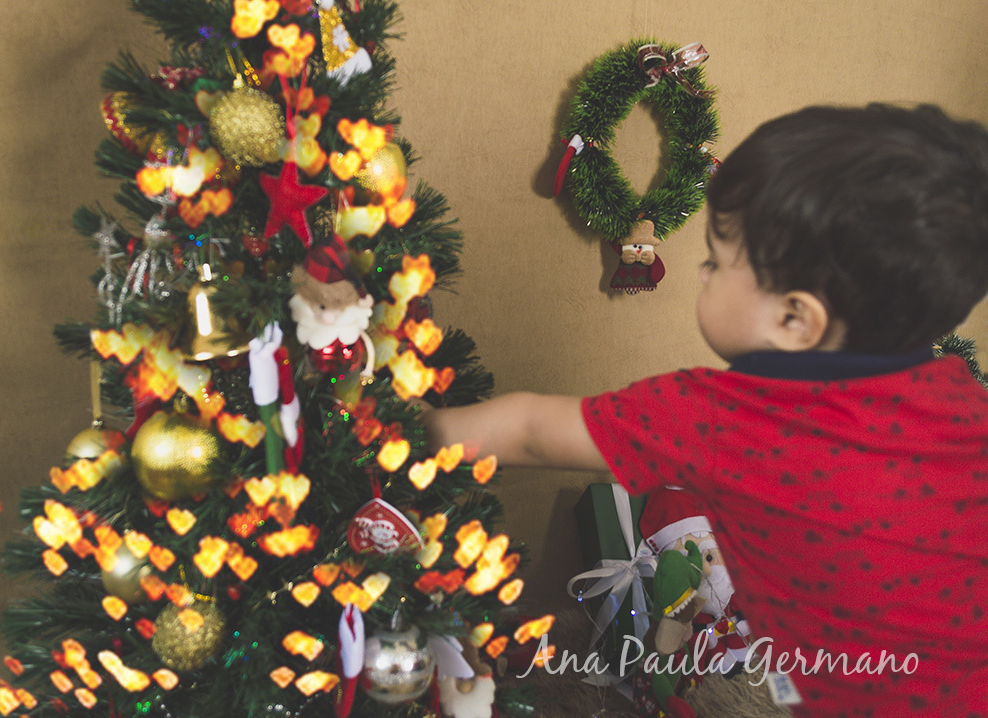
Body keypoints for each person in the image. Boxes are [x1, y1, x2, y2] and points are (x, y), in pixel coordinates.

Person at [422, 103, 988, 717]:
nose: (700, 271)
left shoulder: (726, 416)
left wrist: (394, 427)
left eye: (716, 262)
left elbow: (530, 432)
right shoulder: (964, 399)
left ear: (796, 318)